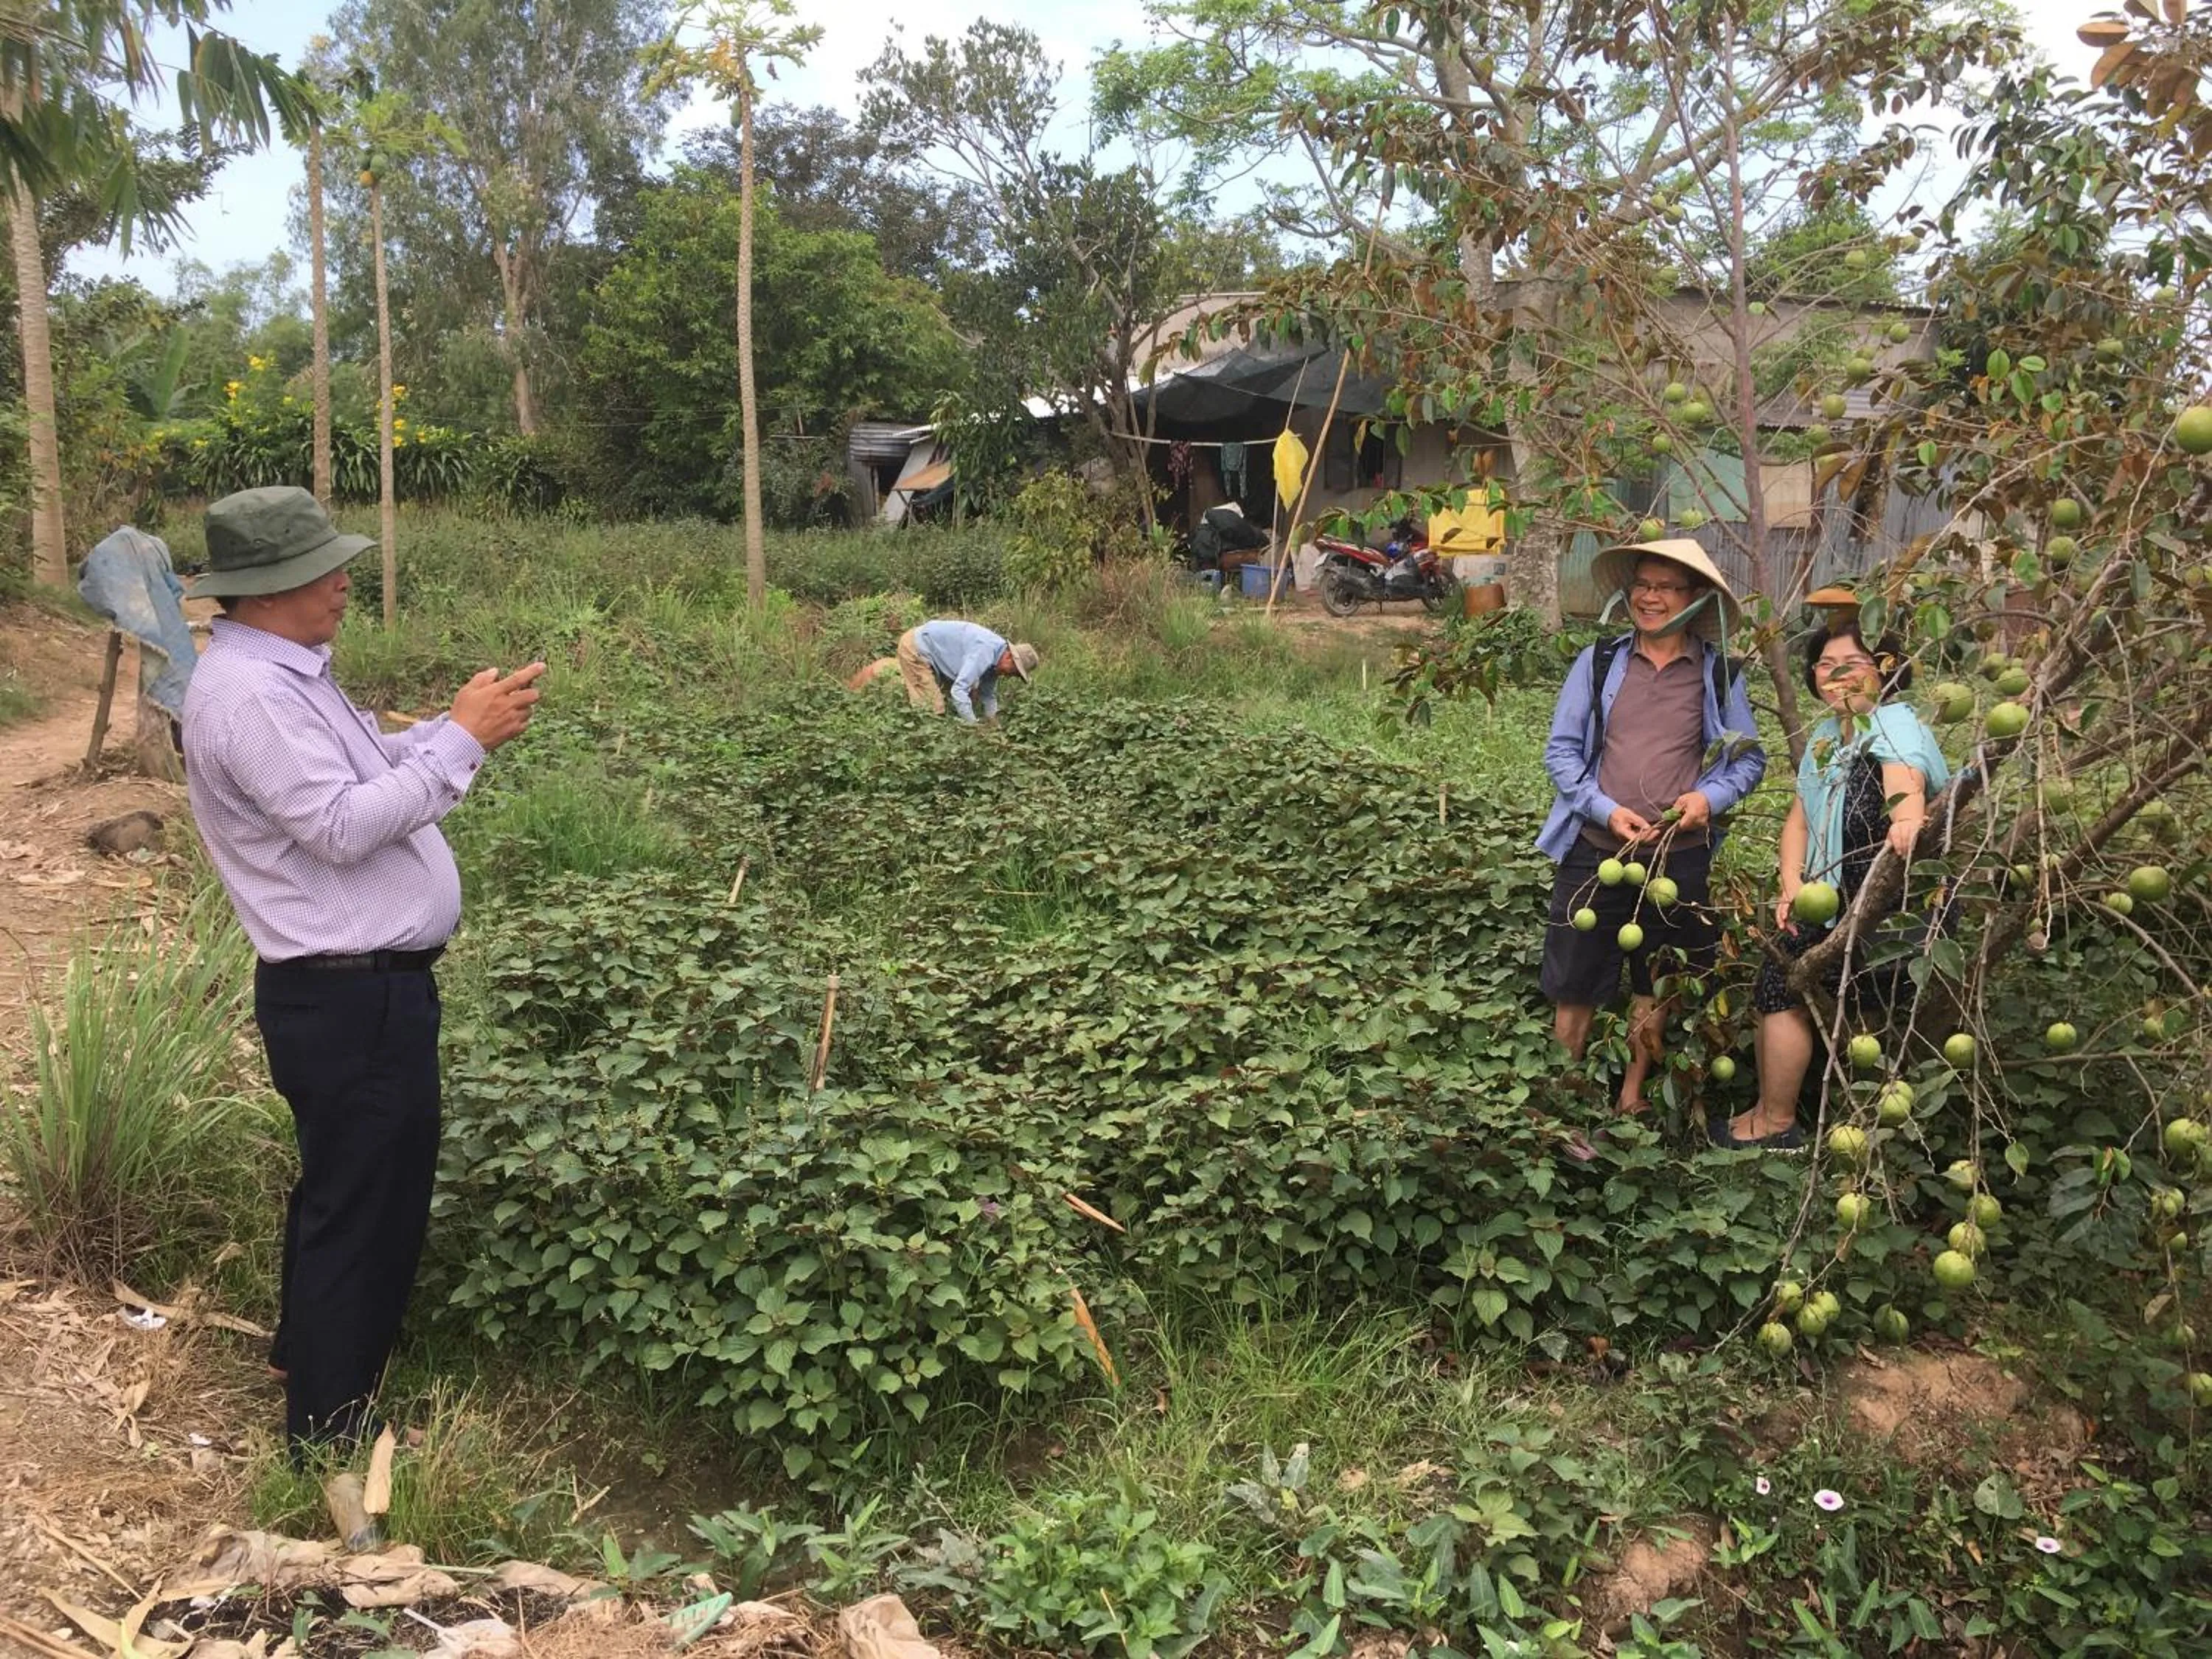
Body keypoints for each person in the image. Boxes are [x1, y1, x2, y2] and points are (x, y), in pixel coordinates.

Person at [180, 485, 545, 1457]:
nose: (343, 583)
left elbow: (359, 769)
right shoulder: (255, 695)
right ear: (265, 589)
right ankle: (331, 1430)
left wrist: (455, 730)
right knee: (369, 1206)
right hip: (352, 994)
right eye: (323, 571)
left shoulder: (278, 675)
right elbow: (340, 826)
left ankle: (308, 1360)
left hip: (351, 992)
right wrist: (459, 741)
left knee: (342, 1185)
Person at [1537, 539, 1767, 1114]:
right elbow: (1562, 751)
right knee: (1574, 982)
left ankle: (1632, 1098)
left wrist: (1707, 799)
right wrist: (1604, 809)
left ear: (1695, 599)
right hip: (1596, 851)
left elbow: (1749, 761)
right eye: (1642, 584)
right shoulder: (1599, 662)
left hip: (1676, 858)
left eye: (1666, 587)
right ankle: (1562, 1101)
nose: (1650, 596)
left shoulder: (1718, 674)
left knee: (1658, 983)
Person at [1719, 620, 1950, 1148]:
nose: (1836, 674)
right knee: (1779, 976)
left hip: (1893, 912)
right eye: (1825, 664)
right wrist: (1791, 883)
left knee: (1788, 984)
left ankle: (1779, 1122)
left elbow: (1905, 784)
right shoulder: (1827, 736)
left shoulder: (1895, 724)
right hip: (1830, 901)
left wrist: (1907, 821)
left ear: (1885, 670)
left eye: (1852, 664)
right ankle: (1772, 1110)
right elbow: (1799, 820)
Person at [894, 618, 1039, 724]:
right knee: (932, 709)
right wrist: (974, 727)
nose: (1009, 676)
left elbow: (987, 695)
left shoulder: (997, 658)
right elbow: (958, 690)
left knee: (963, 699)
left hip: (939, 654)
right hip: (916, 647)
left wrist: (994, 723)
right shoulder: (984, 652)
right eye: (1013, 672)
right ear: (1009, 657)